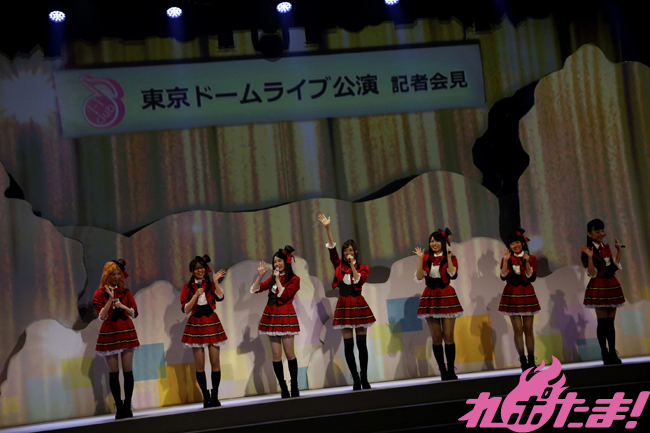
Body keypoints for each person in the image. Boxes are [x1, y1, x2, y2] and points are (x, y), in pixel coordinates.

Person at [318, 214, 374, 390]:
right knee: (349, 346)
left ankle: (364, 378)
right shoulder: (338, 266)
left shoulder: (363, 268)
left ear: (355, 252)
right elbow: (332, 249)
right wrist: (327, 228)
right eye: (345, 251)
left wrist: (351, 266)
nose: (347, 253)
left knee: (362, 345)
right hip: (344, 305)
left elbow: (359, 281)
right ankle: (355, 379)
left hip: (358, 304)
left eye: (350, 250)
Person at [250, 245, 301, 398]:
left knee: (290, 353)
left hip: (285, 315)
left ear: (286, 261)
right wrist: (260, 276)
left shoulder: (295, 279)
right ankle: (283, 387)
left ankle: (294, 385)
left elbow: (284, 296)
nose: (276, 264)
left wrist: (278, 280)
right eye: (274, 262)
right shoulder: (272, 278)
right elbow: (255, 290)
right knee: (276, 355)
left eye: (279, 261)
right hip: (271, 316)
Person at [92, 259, 139, 419]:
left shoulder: (125, 292)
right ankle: (118, 405)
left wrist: (123, 306)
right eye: (113, 274)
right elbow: (102, 316)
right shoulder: (99, 294)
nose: (117, 277)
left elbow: (135, 313)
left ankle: (127, 405)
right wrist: (111, 299)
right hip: (110, 332)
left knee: (128, 371)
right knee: (113, 372)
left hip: (126, 331)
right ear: (107, 275)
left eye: (119, 274)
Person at [414, 228, 462, 380]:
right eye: (431, 241)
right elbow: (420, 277)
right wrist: (420, 259)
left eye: (436, 241)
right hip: (431, 296)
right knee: (436, 337)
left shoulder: (450, 257)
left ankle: (451, 369)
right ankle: (442, 370)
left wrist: (449, 258)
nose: (433, 243)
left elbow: (453, 274)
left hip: (446, 295)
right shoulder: (426, 258)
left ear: (443, 243)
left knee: (448, 336)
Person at [180, 255, 227, 407]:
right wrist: (196, 295)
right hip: (195, 324)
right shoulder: (187, 288)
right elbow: (185, 309)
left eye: (201, 268)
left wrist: (216, 281)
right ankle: (206, 396)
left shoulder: (210, 284)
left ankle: (215, 395)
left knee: (215, 362)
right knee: (199, 365)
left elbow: (220, 297)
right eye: (196, 268)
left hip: (211, 322)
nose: (199, 271)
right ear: (192, 271)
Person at [580, 218, 625, 365]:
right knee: (602, 322)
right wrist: (590, 258)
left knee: (610, 322)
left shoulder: (606, 247)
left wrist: (619, 251)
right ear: (589, 234)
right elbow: (592, 273)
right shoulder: (587, 251)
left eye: (602, 231)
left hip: (611, 283)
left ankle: (612, 352)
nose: (601, 234)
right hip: (599, 285)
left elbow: (613, 267)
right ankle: (604, 352)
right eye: (597, 231)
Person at [498, 228, 540, 372]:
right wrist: (505, 260)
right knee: (517, 330)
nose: (515, 246)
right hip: (512, 293)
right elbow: (503, 276)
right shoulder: (507, 258)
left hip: (526, 292)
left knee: (528, 329)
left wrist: (526, 262)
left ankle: (531, 361)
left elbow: (531, 277)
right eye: (512, 244)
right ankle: (523, 362)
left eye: (517, 242)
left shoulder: (531, 258)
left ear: (522, 243)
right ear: (509, 246)